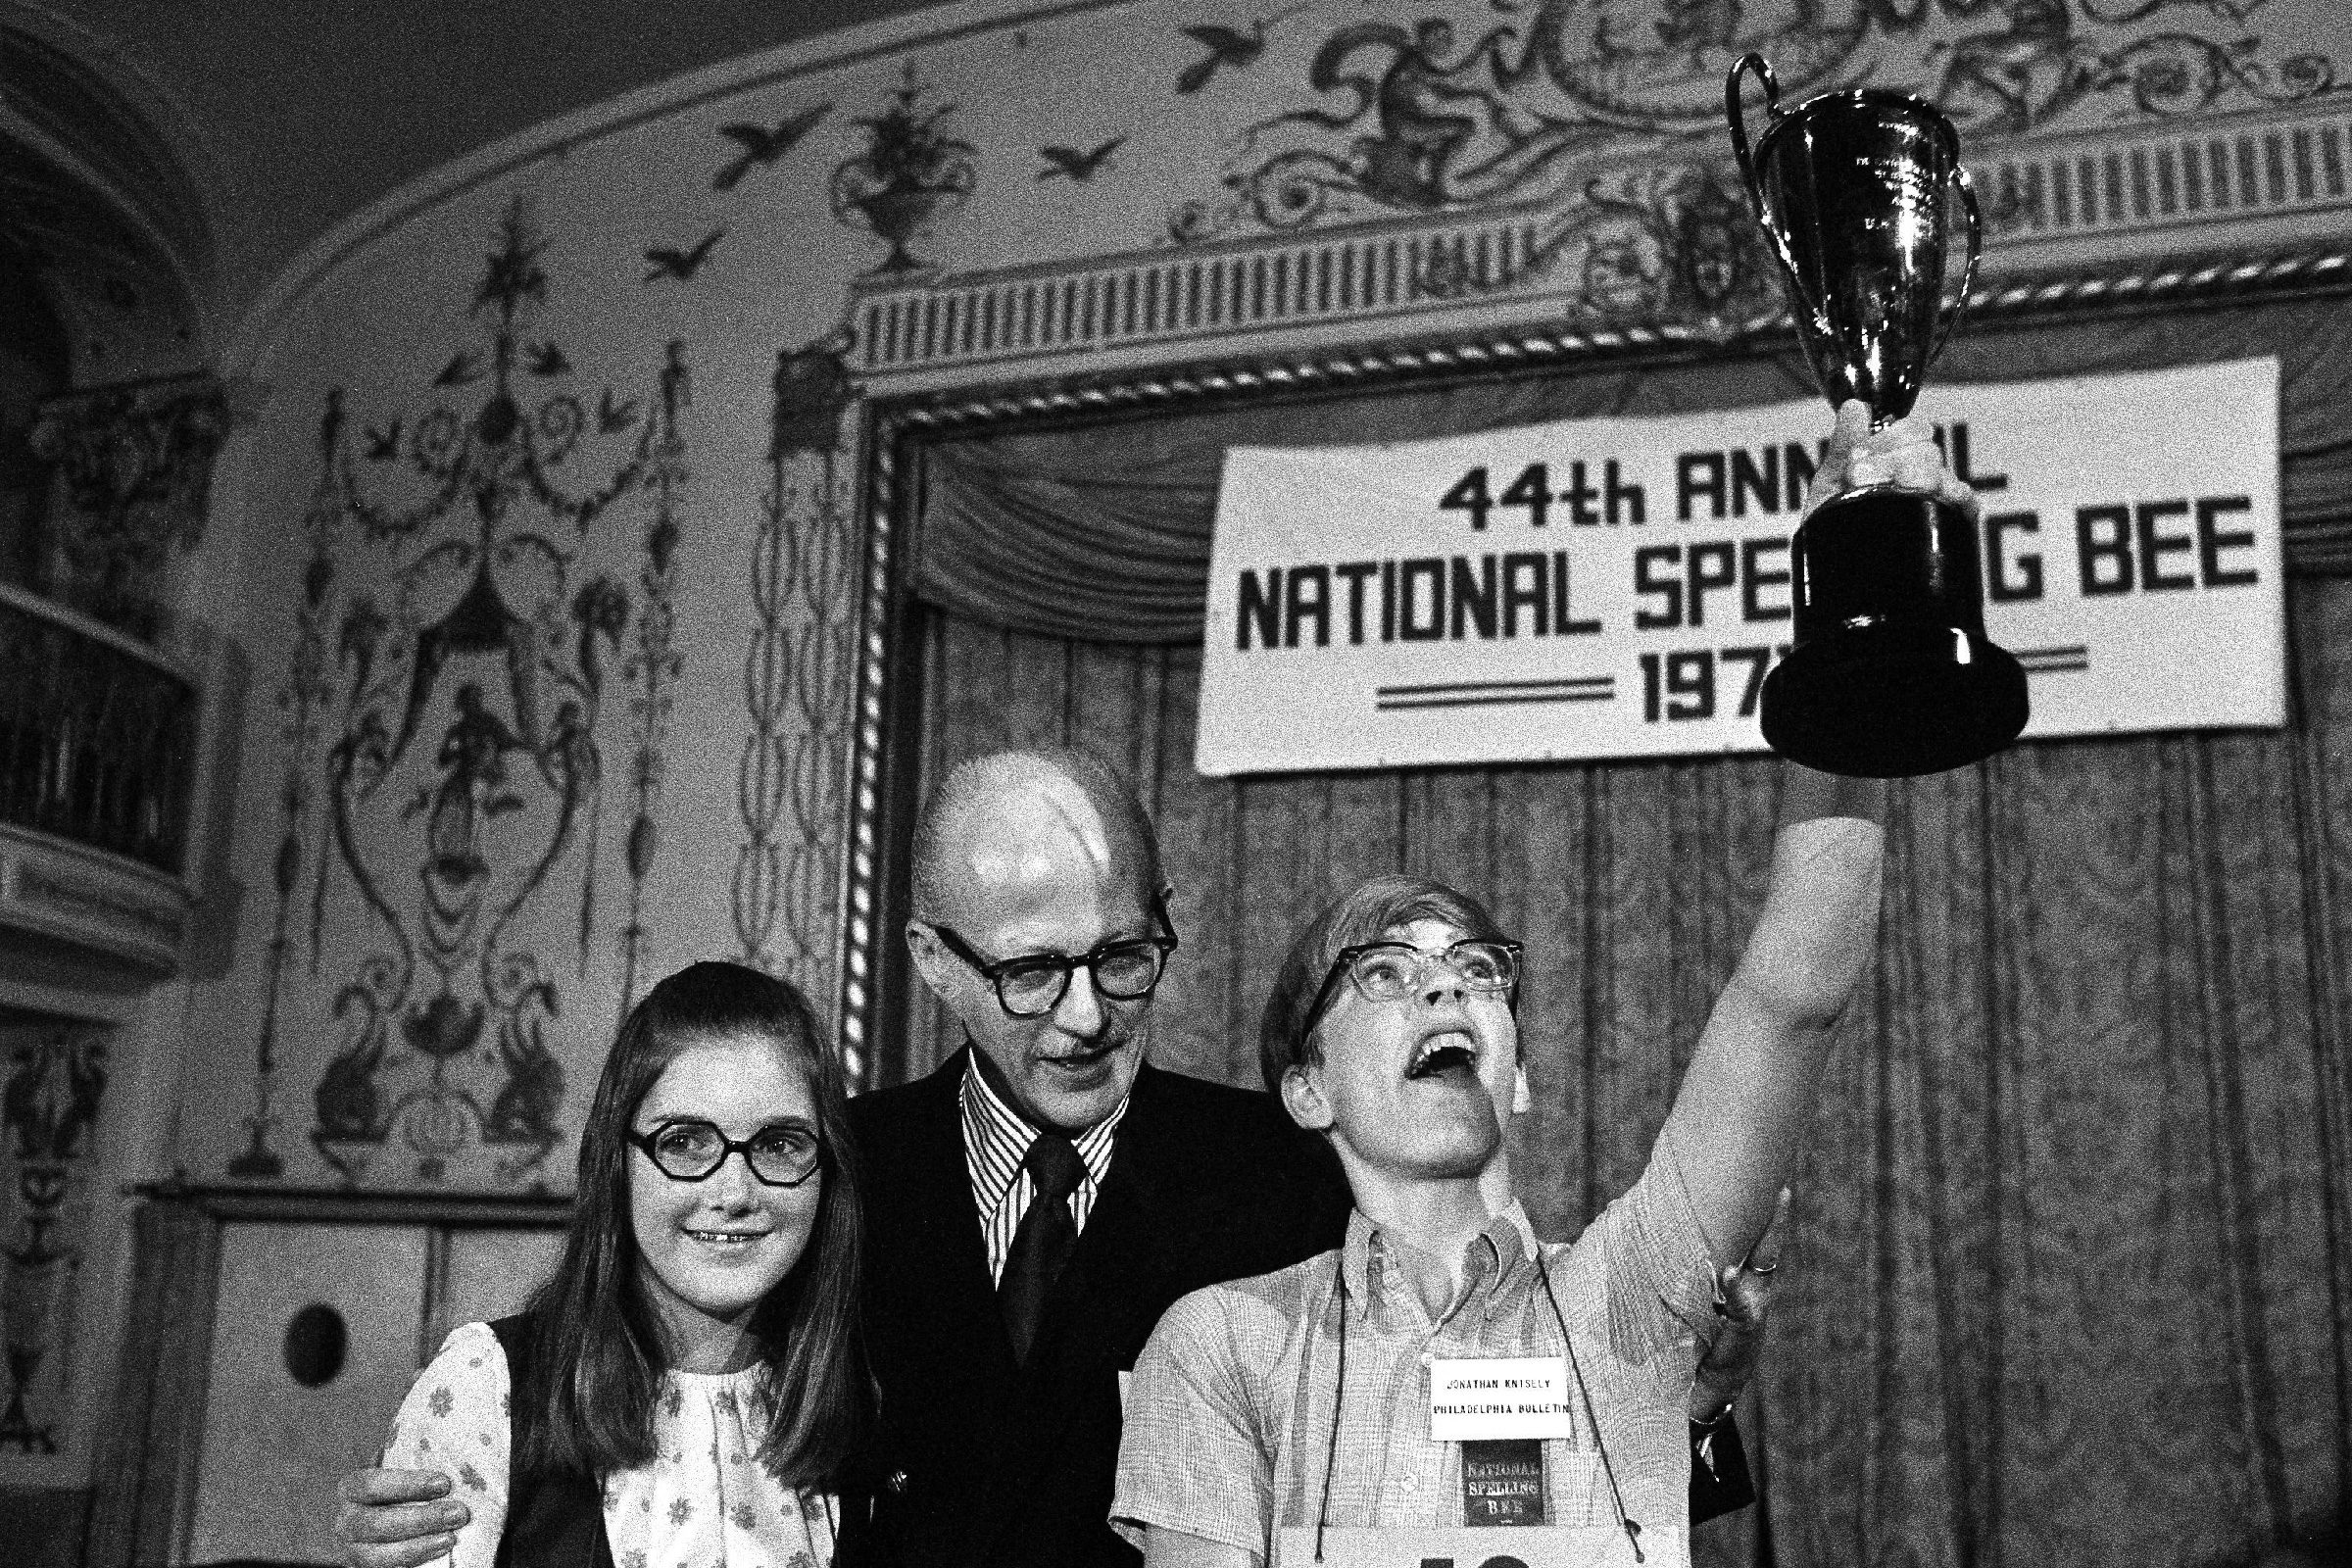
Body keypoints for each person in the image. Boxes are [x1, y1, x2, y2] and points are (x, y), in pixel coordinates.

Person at [340, 749, 1771, 1568]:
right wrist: (484, 1454)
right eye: (1029, 972)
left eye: (1124, 958)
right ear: (932, 964)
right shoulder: (836, 1172)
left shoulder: (1284, 1167)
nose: (1084, 1017)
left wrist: (1683, 1411)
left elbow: (1483, 1394)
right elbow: (668, 1331)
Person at [1108, 403, 1956, 1567]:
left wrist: (1859, 599)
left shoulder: (1632, 1300)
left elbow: (1797, 986)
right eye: (1388, 973)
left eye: (1475, 972)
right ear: (1306, 1087)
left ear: (1522, 1076)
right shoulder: (1224, 1345)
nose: (1445, 991)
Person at [372, 960, 870, 1566]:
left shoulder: (865, 1401)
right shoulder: (492, 1387)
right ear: (618, 1162)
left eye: (779, 1144)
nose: (735, 1192)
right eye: (684, 1142)